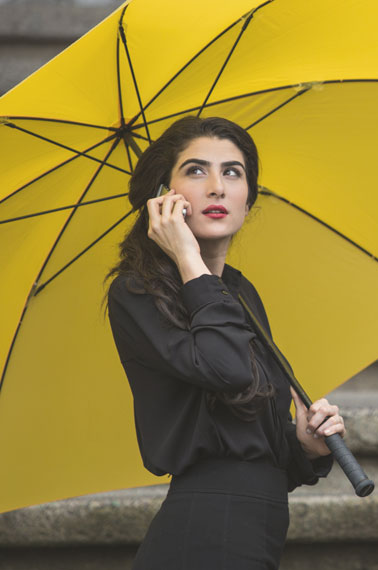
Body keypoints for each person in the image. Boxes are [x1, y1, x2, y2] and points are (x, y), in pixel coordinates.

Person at [106, 116, 345, 569]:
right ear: (163, 199)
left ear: (249, 197)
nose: (217, 187)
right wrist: (188, 258)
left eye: (232, 172)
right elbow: (227, 369)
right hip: (206, 528)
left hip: (256, 525)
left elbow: (252, 440)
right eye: (196, 171)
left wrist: (305, 448)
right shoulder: (139, 291)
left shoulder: (237, 292)